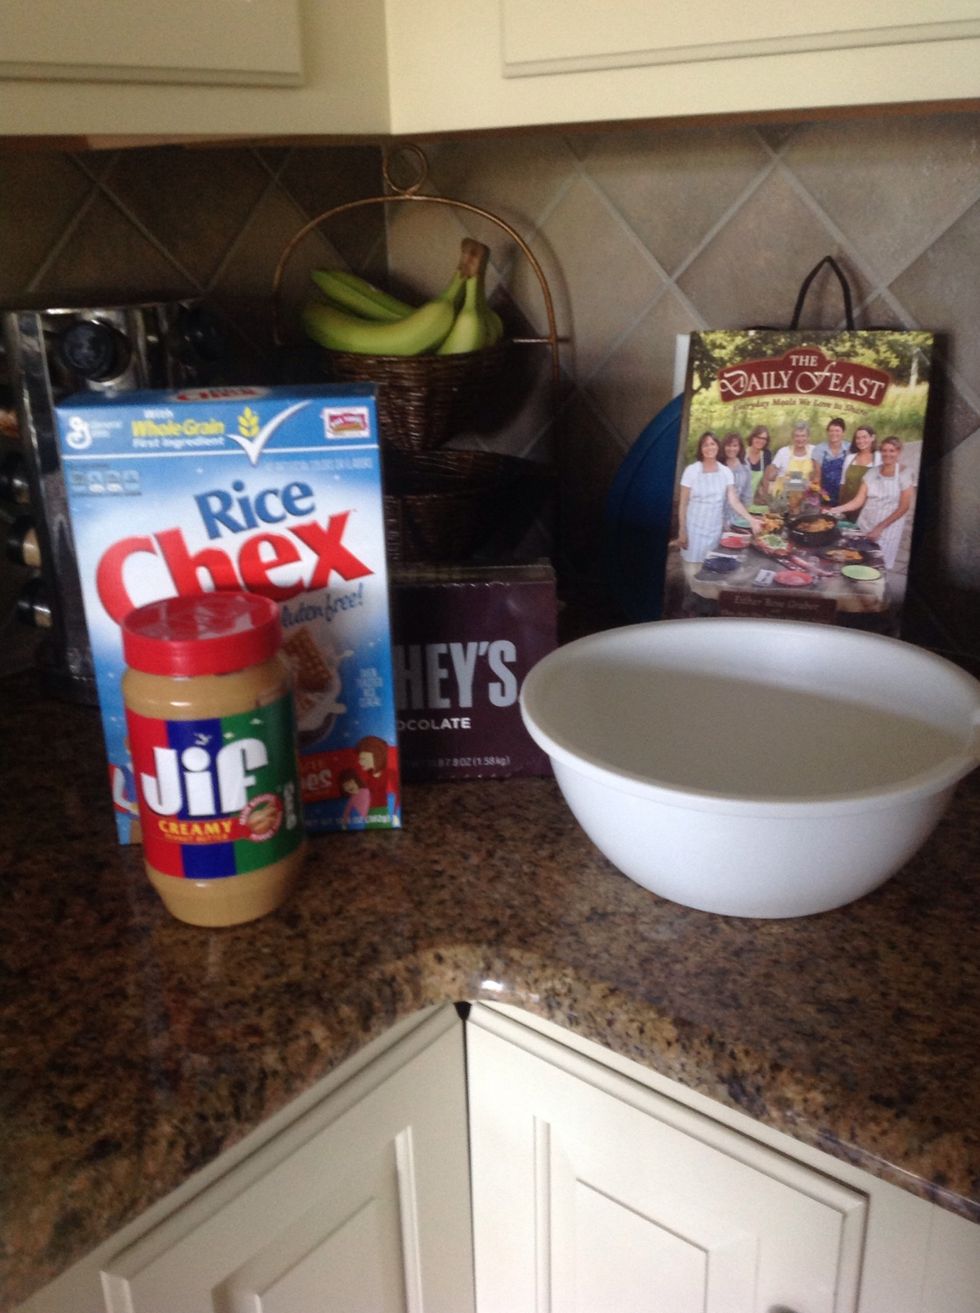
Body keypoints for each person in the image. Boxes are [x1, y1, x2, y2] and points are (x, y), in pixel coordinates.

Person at [672, 431, 762, 563]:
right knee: (691, 569)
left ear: (718, 446)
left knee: (710, 567)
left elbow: (734, 501)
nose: (709, 448)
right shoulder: (691, 470)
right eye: (705, 445)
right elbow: (683, 503)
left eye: (712, 444)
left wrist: (751, 520)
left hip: (714, 530)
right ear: (701, 449)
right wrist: (682, 530)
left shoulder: (725, 472)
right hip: (693, 529)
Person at [830, 435, 915, 570]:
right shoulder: (871, 472)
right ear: (880, 452)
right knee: (858, 560)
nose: (887, 454)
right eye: (884, 451)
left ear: (898, 452)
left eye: (892, 450)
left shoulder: (905, 474)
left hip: (887, 529)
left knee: (879, 566)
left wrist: (880, 528)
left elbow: (904, 507)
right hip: (865, 523)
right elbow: (858, 500)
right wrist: (836, 509)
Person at [761, 421, 818, 500]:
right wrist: (772, 473)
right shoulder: (783, 452)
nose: (800, 439)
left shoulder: (814, 450)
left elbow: (817, 475)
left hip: (807, 498)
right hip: (783, 498)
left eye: (803, 436)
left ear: (808, 437)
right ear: (792, 437)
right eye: (797, 436)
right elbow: (771, 475)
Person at [839, 423, 880, 509]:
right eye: (858, 438)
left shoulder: (879, 458)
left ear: (872, 438)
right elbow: (843, 483)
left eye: (864, 437)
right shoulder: (850, 458)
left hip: (868, 507)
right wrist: (840, 504)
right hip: (847, 504)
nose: (861, 441)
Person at [812, 417, 849, 505]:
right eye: (831, 431)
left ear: (843, 433)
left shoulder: (849, 448)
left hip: (845, 493)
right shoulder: (819, 449)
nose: (834, 433)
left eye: (837, 431)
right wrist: (818, 495)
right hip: (825, 494)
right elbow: (817, 475)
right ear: (828, 432)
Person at [721, 432, 752, 524]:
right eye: (728, 446)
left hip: (736, 516)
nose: (731, 449)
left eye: (735, 446)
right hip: (717, 515)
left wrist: (742, 516)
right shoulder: (718, 465)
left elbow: (747, 493)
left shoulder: (745, 465)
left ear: (740, 447)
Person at [743, 424, 772, 497]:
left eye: (764, 439)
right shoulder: (742, 453)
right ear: (752, 438)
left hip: (757, 499)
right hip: (741, 497)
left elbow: (766, 479)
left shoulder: (766, 454)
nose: (761, 441)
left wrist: (766, 497)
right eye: (758, 437)